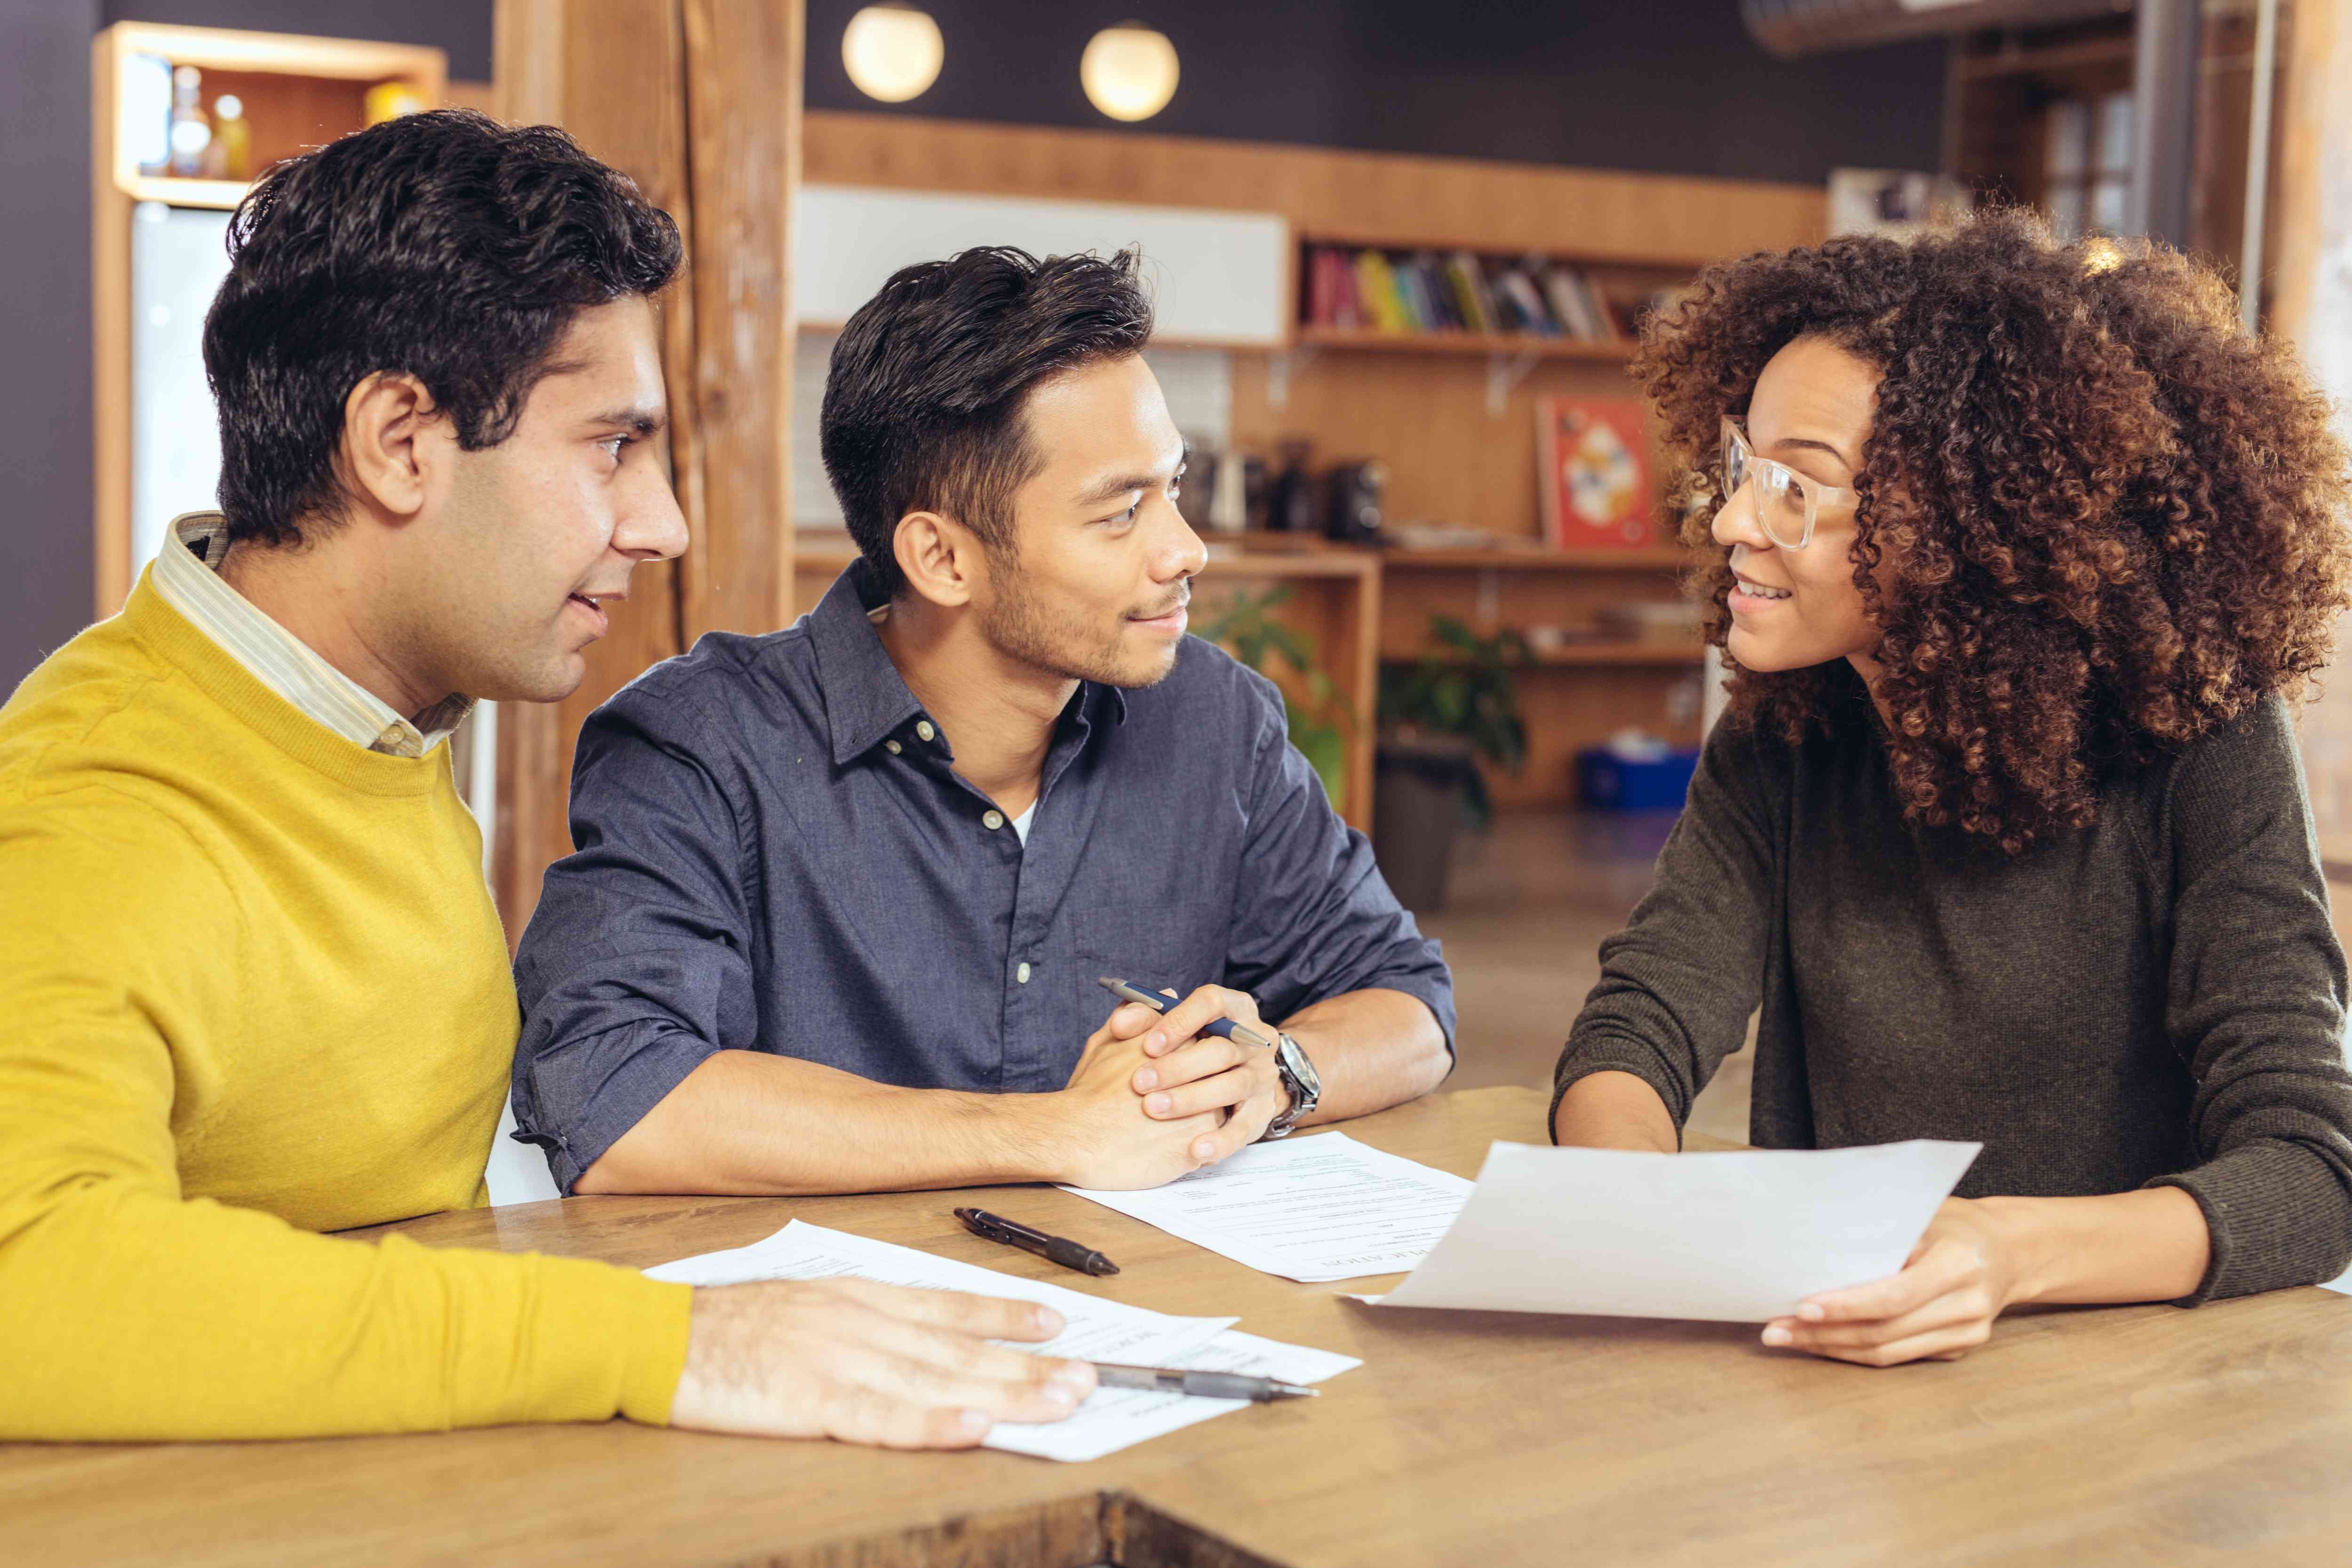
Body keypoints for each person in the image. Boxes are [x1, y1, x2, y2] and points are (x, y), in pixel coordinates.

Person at [0, 110, 1093, 1446]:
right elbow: (29, 1279)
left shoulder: (367, 705)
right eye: (612, 445)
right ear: (401, 441)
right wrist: (669, 1341)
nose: (663, 522)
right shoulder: (94, 803)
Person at [1552, 211, 2352, 1367]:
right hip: (1851, 1370)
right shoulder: (1787, 729)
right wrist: (1632, 1209)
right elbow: (1641, 1021)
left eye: (1798, 488)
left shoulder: (2202, 741)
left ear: (1965, 523)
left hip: (2138, 1394)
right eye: (1742, 468)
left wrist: (2007, 1253)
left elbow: (2312, 1173)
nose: (1730, 521)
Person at [509, 247, 1454, 1198]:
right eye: (1123, 511)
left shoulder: (1216, 720)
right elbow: (614, 1096)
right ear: (941, 557)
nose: (1186, 547)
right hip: (824, 1323)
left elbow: (1409, 1005)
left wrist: (1279, 1070)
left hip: (1151, 1308)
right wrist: (1051, 1132)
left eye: (1175, 486)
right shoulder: (702, 744)